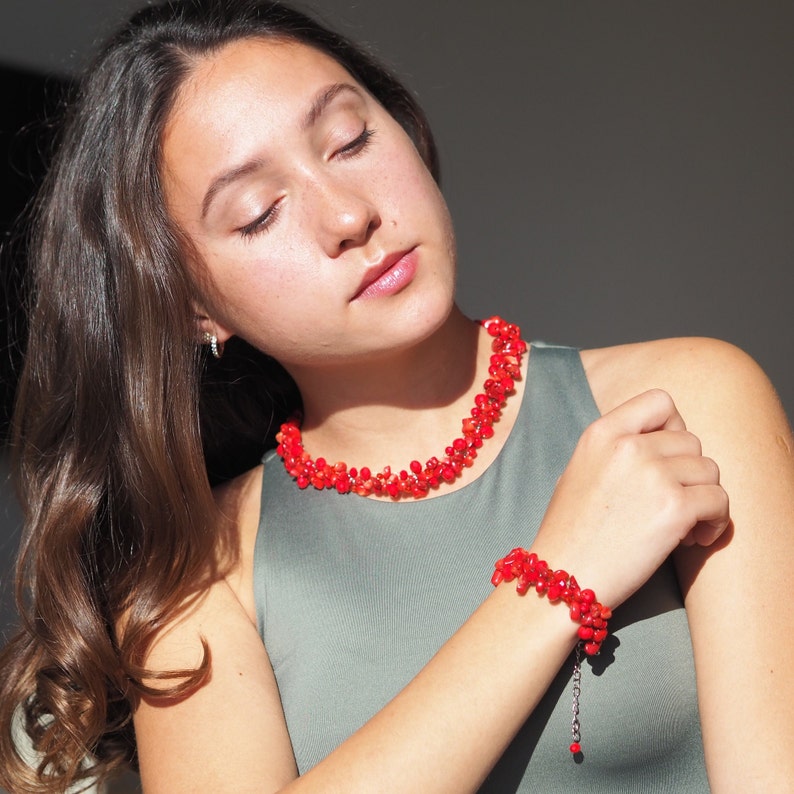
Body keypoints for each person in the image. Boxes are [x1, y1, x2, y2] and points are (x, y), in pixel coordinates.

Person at [1, 1, 792, 791]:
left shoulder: (683, 404)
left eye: (351, 139)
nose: (349, 216)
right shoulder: (196, 581)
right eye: (258, 213)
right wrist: (556, 579)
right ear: (190, 307)